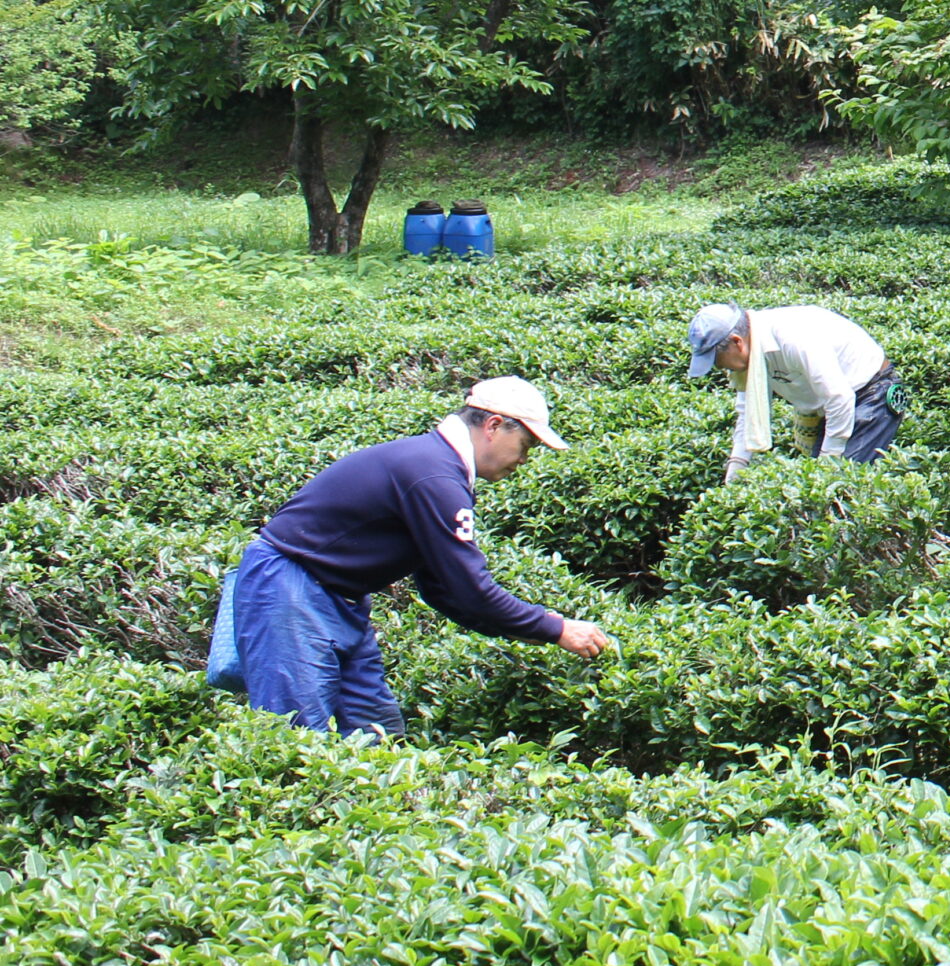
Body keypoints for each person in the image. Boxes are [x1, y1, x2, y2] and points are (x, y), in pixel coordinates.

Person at [209, 377, 612, 735]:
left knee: (374, 730)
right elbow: (470, 588)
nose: (523, 460)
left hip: (340, 598)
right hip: (291, 589)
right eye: (525, 445)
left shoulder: (438, 469)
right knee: (299, 733)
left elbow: (444, 590)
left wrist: (535, 628)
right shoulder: (434, 475)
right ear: (493, 426)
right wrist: (555, 629)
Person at [686, 302, 900, 480]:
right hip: (833, 406)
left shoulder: (792, 337)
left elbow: (839, 398)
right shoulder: (752, 354)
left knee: (837, 488)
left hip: (871, 395)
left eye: (716, 360)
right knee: (820, 488)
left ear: (737, 342)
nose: (720, 367)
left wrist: (827, 467)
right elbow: (748, 413)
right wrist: (737, 466)